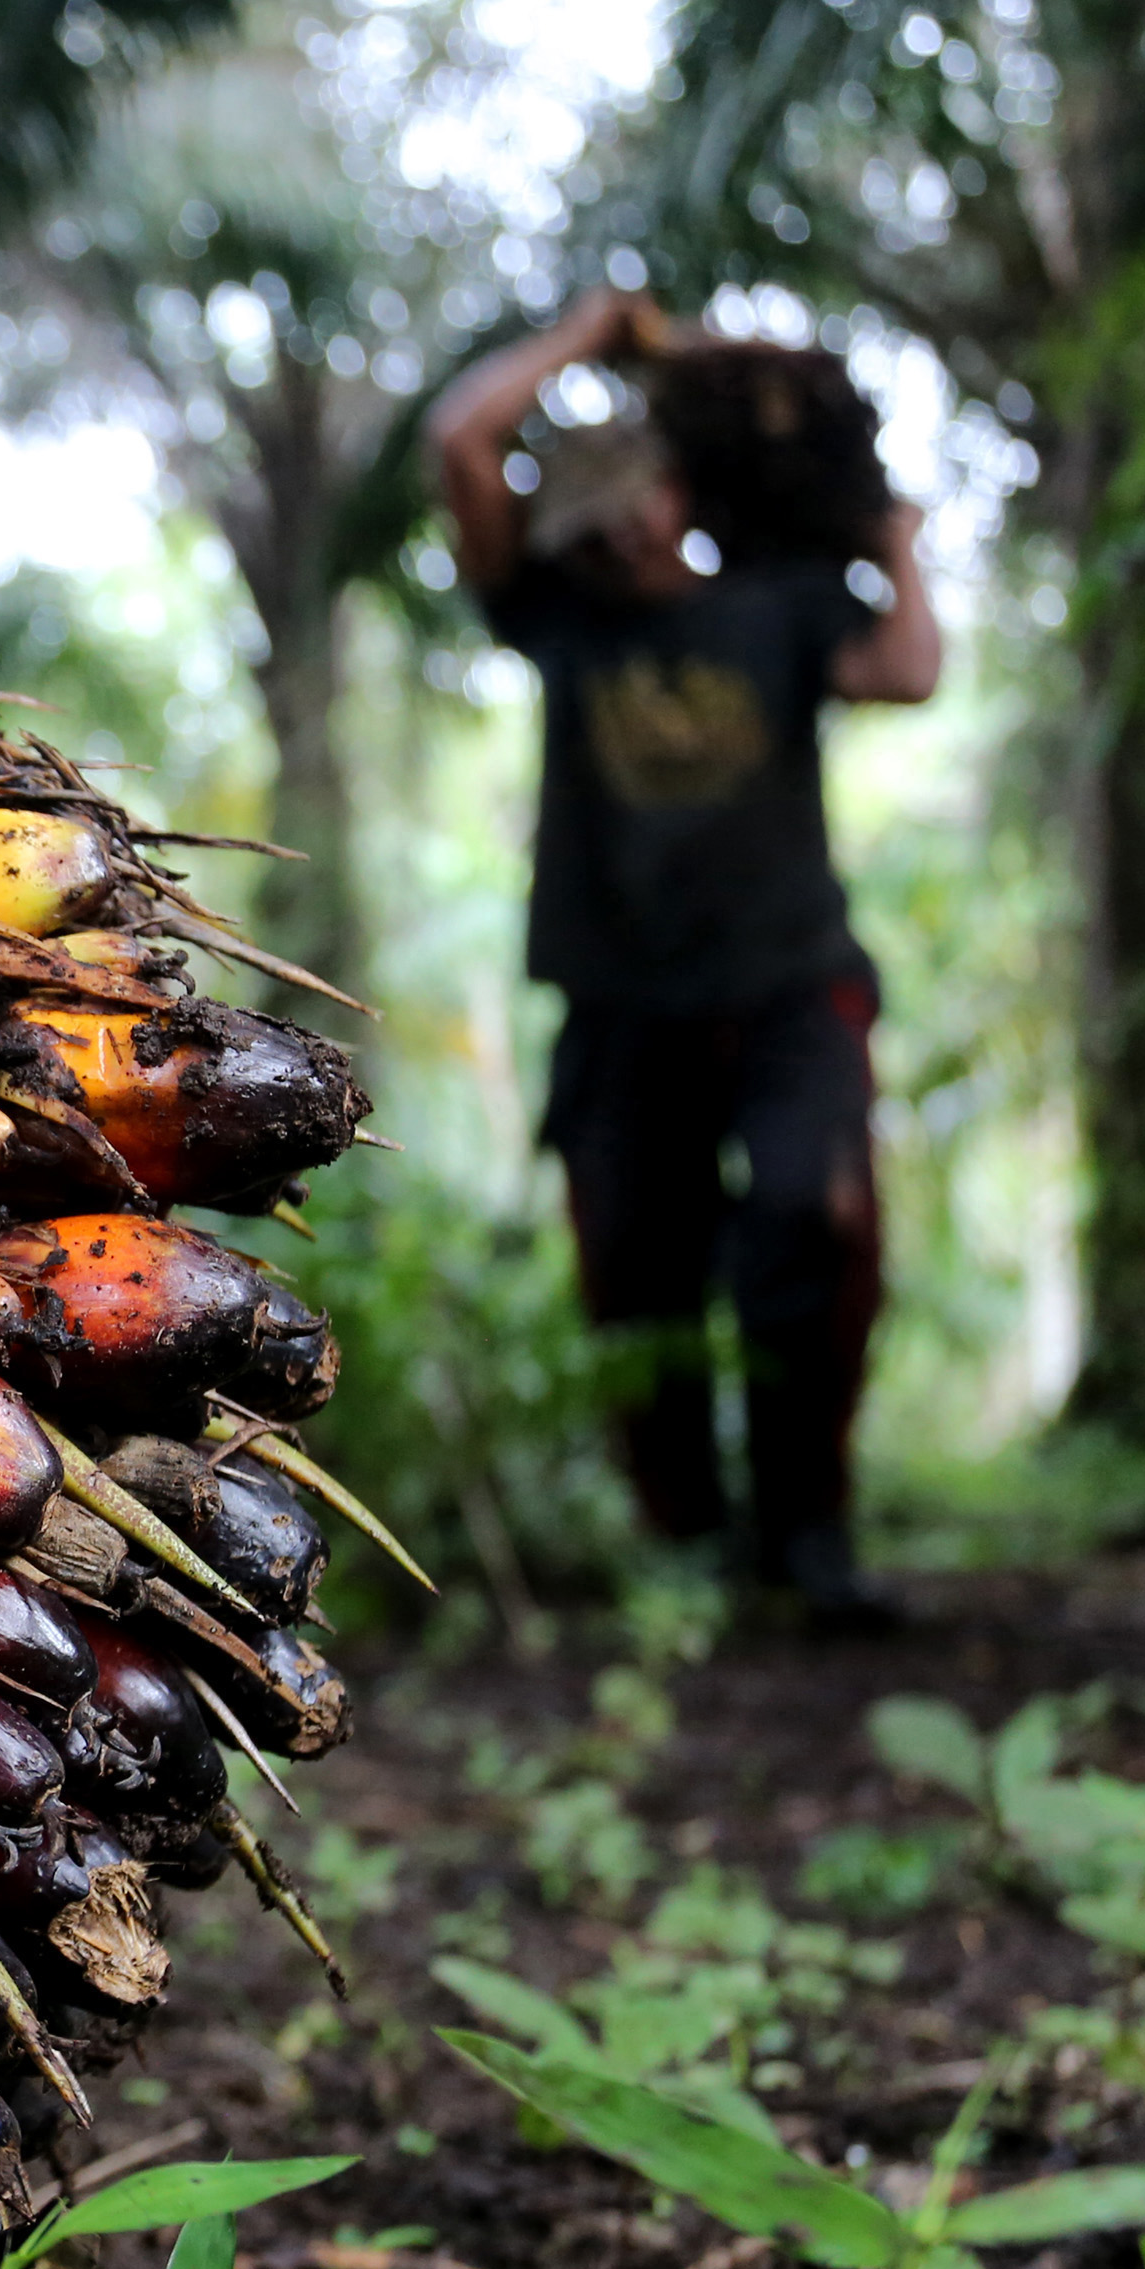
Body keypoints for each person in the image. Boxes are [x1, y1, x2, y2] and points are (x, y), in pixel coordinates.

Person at [428, 289, 944, 1629]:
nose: (623, 518)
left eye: (639, 488)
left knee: (812, 1221)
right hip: (620, 1002)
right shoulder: (552, 615)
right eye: (594, 500)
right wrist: (593, 339)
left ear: (678, 492)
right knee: (636, 1275)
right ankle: (693, 1555)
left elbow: (909, 673)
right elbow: (461, 445)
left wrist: (900, 548)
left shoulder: (781, 607)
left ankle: (809, 1538)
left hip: (789, 990)